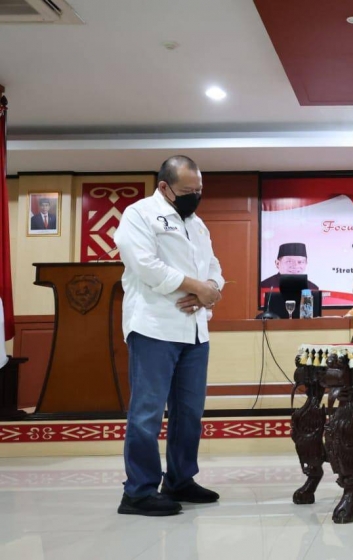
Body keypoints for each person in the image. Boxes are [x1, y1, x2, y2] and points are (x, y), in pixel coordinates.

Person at [114, 155, 224, 516]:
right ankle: (139, 491)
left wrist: (211, 289)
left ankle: (179, 479)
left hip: (195, 330)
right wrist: (196, 286)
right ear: (164, 187)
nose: (195, 196)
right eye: (188, 191)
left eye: (199, 190)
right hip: (154, 327)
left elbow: (213, 268)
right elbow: (144, 264)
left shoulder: (198, 224)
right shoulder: (139, 214)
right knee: (147, 412)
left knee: (189, 412)